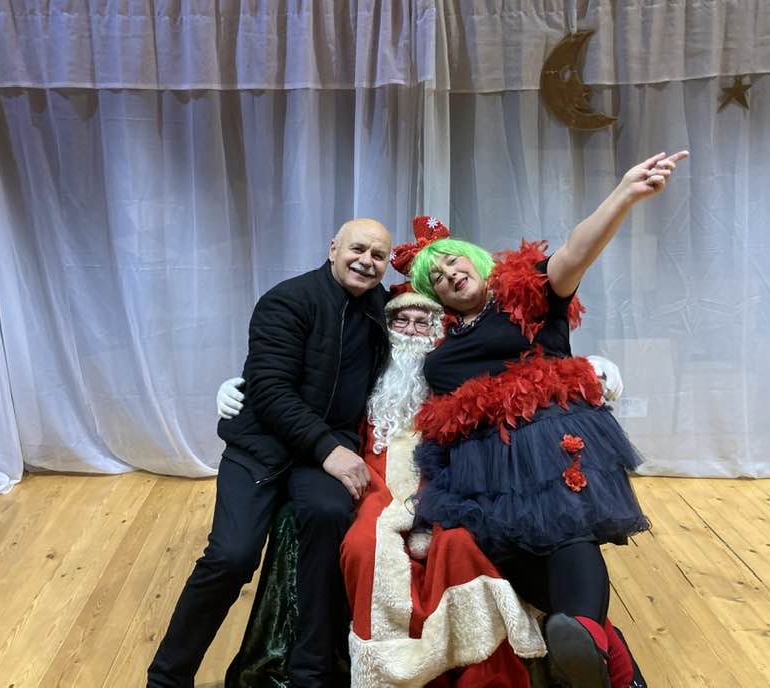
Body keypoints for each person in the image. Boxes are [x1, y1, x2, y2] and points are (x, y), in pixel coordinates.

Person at [217, 219, 628, 687]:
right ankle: (379, 667)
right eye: (401, 320)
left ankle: (501, 665)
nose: (412, 329)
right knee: (365, 546)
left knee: (473, 545)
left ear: (439, 322)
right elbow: (314, 372)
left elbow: (516, 354)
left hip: (460, 476)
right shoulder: (377, 361)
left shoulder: (452, 354)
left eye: (422, 320)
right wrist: (242, 385)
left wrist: (587, 364)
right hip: (379, 477)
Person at [407, 150, 689, 688]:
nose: (449, 275)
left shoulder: (526, 295)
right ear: (433, 295)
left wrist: (624, 194)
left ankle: (588, 639)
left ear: (476, 260)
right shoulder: (440, 349)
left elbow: (575, 253)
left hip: (547, 438)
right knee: (505, 554)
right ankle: (605, 654)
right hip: (481, 467)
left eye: (454, 262)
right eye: (436, 277)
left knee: (566, 531)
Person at [148, 219, 392, 688]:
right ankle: (167, 678)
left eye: (378, 255)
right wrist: (330, 450)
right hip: (263, 445)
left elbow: (437, 311)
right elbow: (270, 390)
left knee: (328, 518)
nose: (366, 261)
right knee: (231, 556)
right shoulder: (288, 300)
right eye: (357, 249)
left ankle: (310, 673)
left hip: (323, 449)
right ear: (333, 249)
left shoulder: (382, 308)